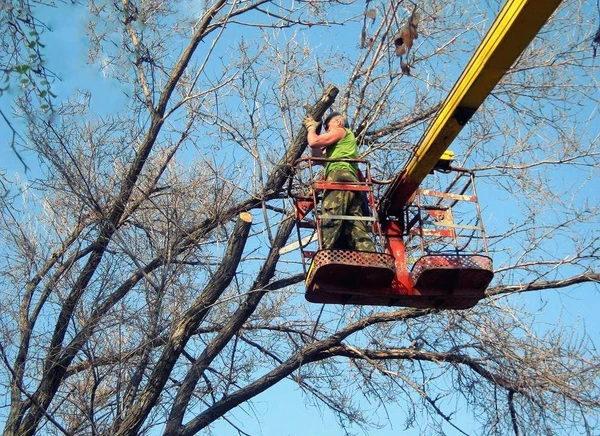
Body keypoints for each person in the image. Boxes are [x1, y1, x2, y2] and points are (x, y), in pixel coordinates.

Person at [303, 112, 376, 252]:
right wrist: (315, 132)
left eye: (327, 127)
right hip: (352, 183)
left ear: (338, 122)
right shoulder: (339, 147)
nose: (328, 132)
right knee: (354, 223)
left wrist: (311, 130)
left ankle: (327, 254)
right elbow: (317, 157)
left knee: (332, 216)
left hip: (339, 178)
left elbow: (313, 142)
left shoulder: (340, 131)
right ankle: (368, 255)